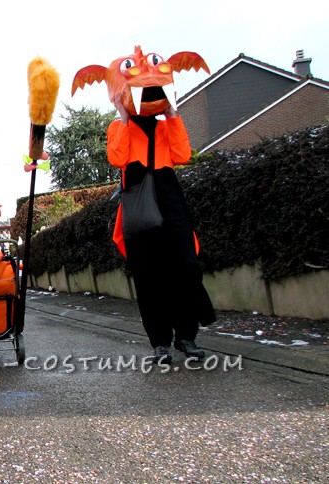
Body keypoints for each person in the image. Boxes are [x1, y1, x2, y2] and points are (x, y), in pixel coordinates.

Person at [73, 46, 216, 364]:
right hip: (138, 203)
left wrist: (174, 115)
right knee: (149, 276)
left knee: (187, 266)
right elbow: (117, 158)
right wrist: (123, 118)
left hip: (169, 198)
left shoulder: (167, 126)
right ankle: (161, 342)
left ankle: (187, 336)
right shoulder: (117, 128)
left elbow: (182, 156)